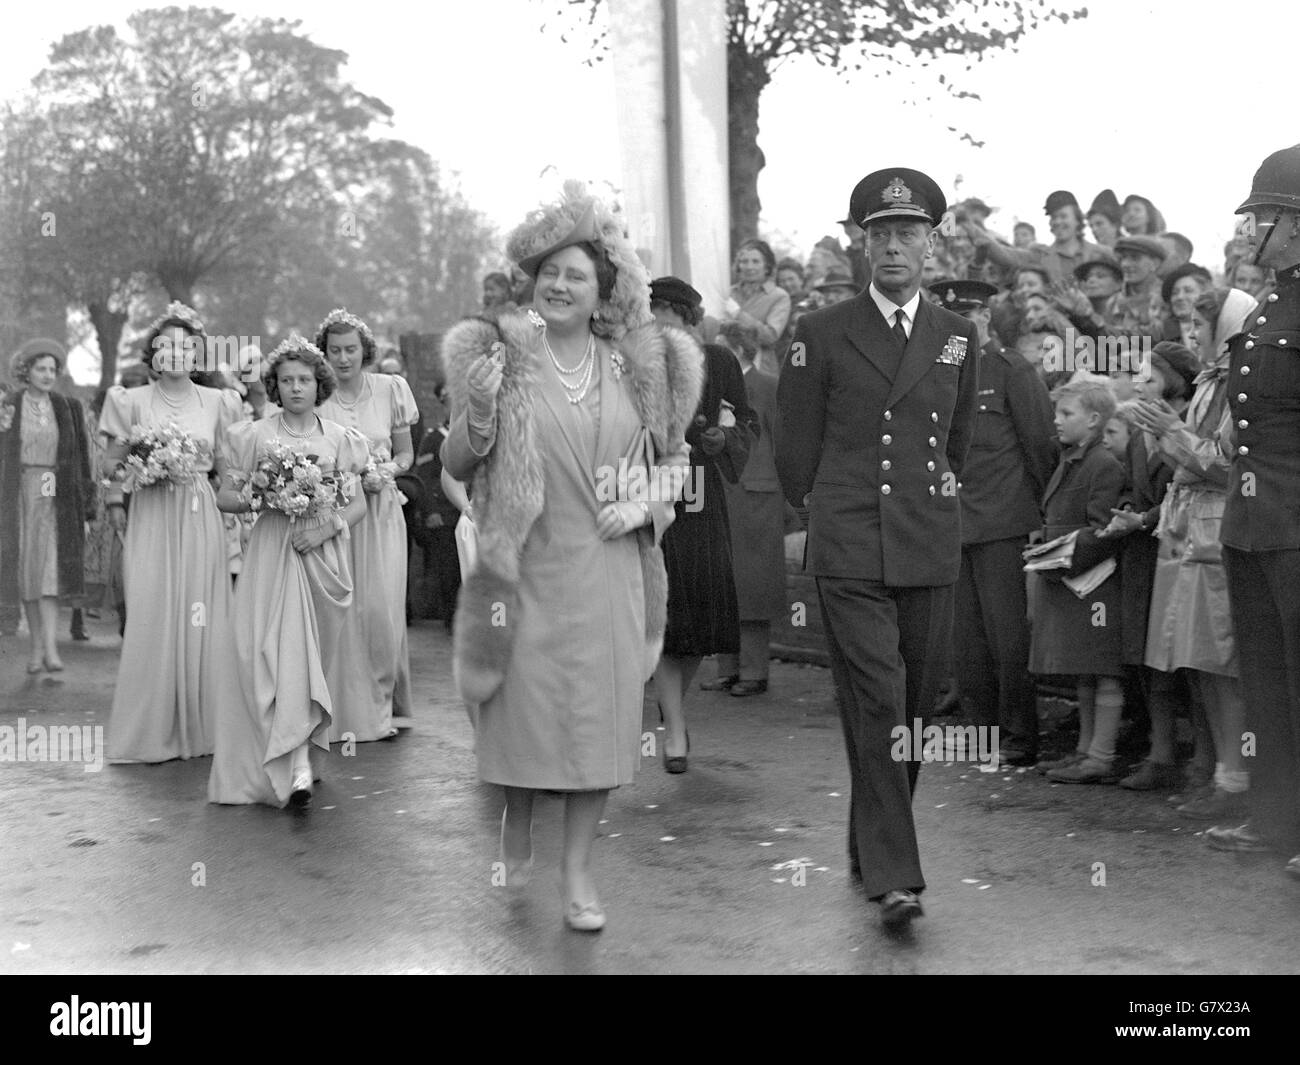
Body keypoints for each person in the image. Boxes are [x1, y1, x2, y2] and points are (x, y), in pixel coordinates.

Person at [440, 183, 702, 930]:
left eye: (575, 276)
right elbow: (456, 461)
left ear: (605, 290)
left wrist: (646, 505)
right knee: (524, 718)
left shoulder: (639, 368)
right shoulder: (501, 359)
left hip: (609, 570)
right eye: (549, 272)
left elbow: (677, 463)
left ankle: (579, 873)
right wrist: (482, 411)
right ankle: (516, 812)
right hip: (524, 571)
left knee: (597, 726)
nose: (558, 285)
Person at [776, 168, 979, 929]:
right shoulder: (821, 332)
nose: (894, 246)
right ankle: (896, 874)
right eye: (880, 234)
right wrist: (821, 510)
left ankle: (873, 840)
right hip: (852, 541)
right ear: (862, 246)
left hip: (927, 539)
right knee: (877, 701)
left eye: (908, 233)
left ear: (932, 244)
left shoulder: (960, 335)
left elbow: (954, 441)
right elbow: (795, 443)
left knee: (915, 714)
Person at [209, 336, 369, 808]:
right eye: (286, 380)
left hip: (320, 557)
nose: (295, 387)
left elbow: (356, 503)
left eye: (304, 379)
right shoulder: (253, 434)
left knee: (308, 661)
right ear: (274, 386)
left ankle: (301, 757)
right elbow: (225, 497)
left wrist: (327, 528)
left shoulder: (340, 438)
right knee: (270, 657)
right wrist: (266, 495)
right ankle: (292, 766)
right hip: (271, 552)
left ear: (318, 383)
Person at [1206, 144, 1300, 880]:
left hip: (1296, 525)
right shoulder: (1270, 300)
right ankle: (1275, 820)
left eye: (1263, 216)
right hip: (1254, 522)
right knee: (1266, 680)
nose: (1250, 230)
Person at [98, 304, 243, 762]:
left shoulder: (220, 403)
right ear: (153, 354)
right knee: (153, 605)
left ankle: (201, 727)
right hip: (152, 511)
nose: (175, 354)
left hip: (199, 510)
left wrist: (237, 507)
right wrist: (120, 495)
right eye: (166, 346)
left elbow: (229, 467)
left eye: (185, 346)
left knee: (200, 609)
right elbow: (110, 464)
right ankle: (152, 727)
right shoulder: (130, 400)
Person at [1132, 301, 1254, 817]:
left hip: (1212, 531)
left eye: (1200, 325)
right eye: (1187, 325)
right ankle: (1218, 770)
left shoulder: (1236, 384)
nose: (1192, 334)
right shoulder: (1210, 380)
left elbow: (1226, 464)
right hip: (1186, 532)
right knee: (1197, 662)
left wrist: (1170, 430)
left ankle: (1235, 777)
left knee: (1220, 662)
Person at [931, 280, 1057, 766]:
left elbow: (1040, 445)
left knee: (1007, 636)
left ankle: (1021, 737)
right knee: (966, 640)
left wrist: (1043, 516)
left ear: (985, 319)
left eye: (969, 318)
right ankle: (982, 733)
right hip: (951, 522)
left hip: (1003, 522)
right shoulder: (935, 373)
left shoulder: (1011, 370)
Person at [647, 277, 754, 768]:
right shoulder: (637, 363)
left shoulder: (721, 361)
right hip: (651, 495)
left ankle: (674, 712)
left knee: (699, 620)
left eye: (665, 314)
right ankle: (675, 729)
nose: (655, 323)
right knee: (666, 616)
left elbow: (745, 422)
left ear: (689, 318)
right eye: (651, 314)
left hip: (702, 495)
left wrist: (721, 442)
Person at [315, 308, 419, 741]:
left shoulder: (391, 389)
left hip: (381, 513)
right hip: (336, 514)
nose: (342, 359)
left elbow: (406, 454)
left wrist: (386, 471)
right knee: (341, 608)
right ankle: (339, 708)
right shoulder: (317, 398)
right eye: (334, 351)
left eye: (350, 350)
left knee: (381, 611)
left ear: (365, 352)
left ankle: (381, 705)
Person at [1031, 378, 1127, 783]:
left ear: (1092, 420)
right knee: (1085, 668)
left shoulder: (1102, 464)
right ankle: (1085, 751)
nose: (1057, 420)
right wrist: (1042, 543)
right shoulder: (1074, 457)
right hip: (1075, 578)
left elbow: (1104, 529)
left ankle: (1100, 756)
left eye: (1066, 413)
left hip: (1094, 581)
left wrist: (1057, 554)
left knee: (1103, 668)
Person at [0, 339, 93, 674]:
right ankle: (35, 649)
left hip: (57, 492)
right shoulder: (9, 404)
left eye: (52, 369)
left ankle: (51, 649)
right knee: (28, 572)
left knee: (51, 573)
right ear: (26, 371)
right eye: (41, 369)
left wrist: (87, 508)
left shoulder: (67, 406)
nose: (47, 375)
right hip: (20, 492)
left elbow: (82, 458)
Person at [708, 319, 784, 698]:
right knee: (724, 582)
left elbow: (784, 440)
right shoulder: (713, 388)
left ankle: (754, 671)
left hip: (756, 497)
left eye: (722, 346)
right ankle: (728, 668)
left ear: (738, 349)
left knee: (754, 586)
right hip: (721, 492)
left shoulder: (769, 386)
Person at [721, 239, 792, 375]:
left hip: (760, 371)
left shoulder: (779, 296)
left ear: (767, 266)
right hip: (727, 366)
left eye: (755, 261)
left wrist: (738, 314)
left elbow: (770, 336)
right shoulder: (729, 293)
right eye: (744, 261)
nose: (749, 267)